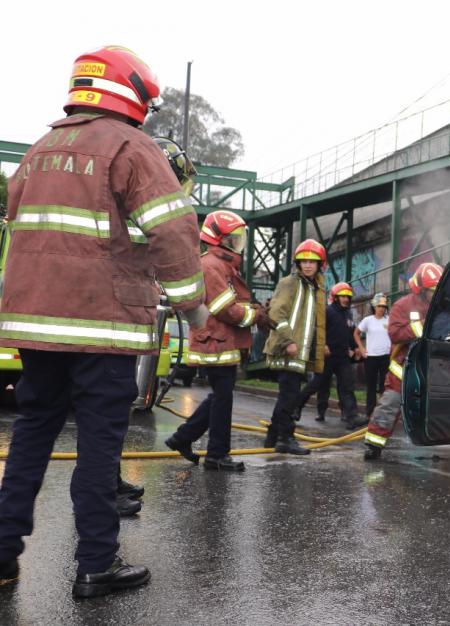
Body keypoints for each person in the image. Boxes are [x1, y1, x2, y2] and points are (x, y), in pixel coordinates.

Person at [0, 46, 207, 598]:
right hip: (103, 325)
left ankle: (1, 553)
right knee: (98, 445)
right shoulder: (131, 146)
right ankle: (96, 564)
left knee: (32, 434)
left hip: (36, 324)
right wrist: (192, 303)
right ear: (131, 92)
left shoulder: (39, 151)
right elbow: (172, 229)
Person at [115, 136, 199, 515]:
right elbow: (168, 250)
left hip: (121, 316)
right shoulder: (138, 207)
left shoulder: (124, 201)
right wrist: (193, 305)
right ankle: (104, 493)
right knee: (107, 409)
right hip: (115, 320)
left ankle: (110, 480)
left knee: (113, 408)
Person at [164, 210, 270, 471]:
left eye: (238, 238)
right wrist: (255, 315)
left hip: (220, 341)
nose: (236, 243)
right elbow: (226, 309)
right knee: (222, 399)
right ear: (217, 238)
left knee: (220, 397)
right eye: (232, 238)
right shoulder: (212, 265)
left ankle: (182, 438)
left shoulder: (221, 264)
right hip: (216, 342)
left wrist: (252, 310)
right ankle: (216, 455)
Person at [363, 262, 443, 460]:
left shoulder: (441, 306)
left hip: (432, 367)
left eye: (437, 290)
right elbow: (395, 334)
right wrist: (422, 327)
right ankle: (373, 444)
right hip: (404, 368)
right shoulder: (403, 305)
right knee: (390, 404)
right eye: (432, 291)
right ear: (421, 289)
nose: (435, 294)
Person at [261, 239, 328, 454]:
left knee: (288, 395)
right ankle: (285, 438)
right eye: (303, 261)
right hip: (287, 348)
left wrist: (321, 345)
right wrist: (288, 341)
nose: (307, 265)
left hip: (299, 351)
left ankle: (273, 436)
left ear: (319, 264)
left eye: (312, 262)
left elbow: (313, 321)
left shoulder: (315, 288)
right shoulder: (290, 283)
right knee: (289, 395)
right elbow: (276, 314)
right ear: (297, 263)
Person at [295, 282, 366, 430]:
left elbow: (350, 333)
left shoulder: (348, 314)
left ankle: (352, 417)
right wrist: (323, 345)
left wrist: (355, 347)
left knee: (347, 386)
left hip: (342, 357)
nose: (345, 299)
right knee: (316, 384)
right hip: (327, 356)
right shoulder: (327, 311)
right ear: (335, 297)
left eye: (348, 297)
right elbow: (317, 331)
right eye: (342, 296)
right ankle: (296, 408)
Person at [354, 293, 391, 417]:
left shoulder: (389, 320)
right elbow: (356, 333)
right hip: (371, 357)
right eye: (379, 306)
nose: (382, 308)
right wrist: (361, 348)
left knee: (384, 386)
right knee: (371, 386)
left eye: (384, 306)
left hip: (386, 356)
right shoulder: (368, 320)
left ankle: (382, 412)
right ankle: (370, 413)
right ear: (374, 306)